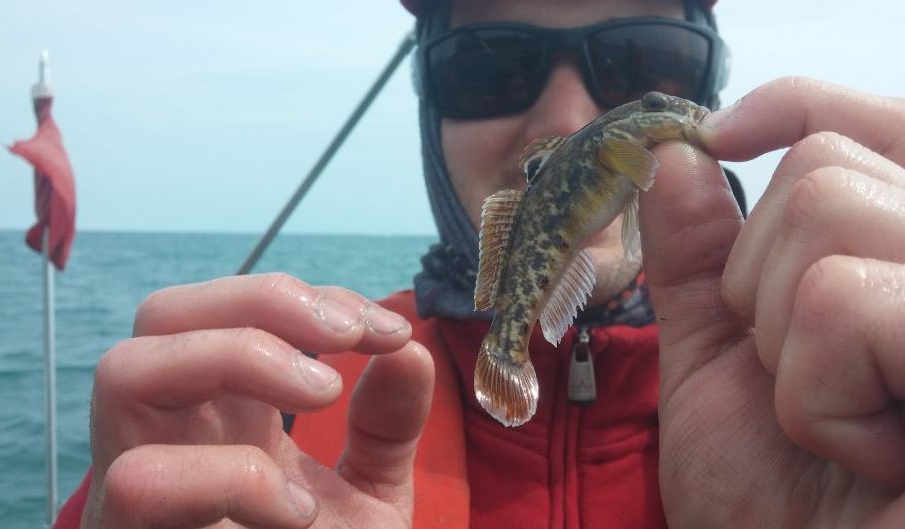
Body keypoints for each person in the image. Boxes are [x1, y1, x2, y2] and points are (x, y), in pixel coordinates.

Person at [54, 0, 905, 527]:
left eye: (643, 62)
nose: (564, 116)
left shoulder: (851, 406)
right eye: (490, 67)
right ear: (430, 107)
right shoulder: (256, 413)